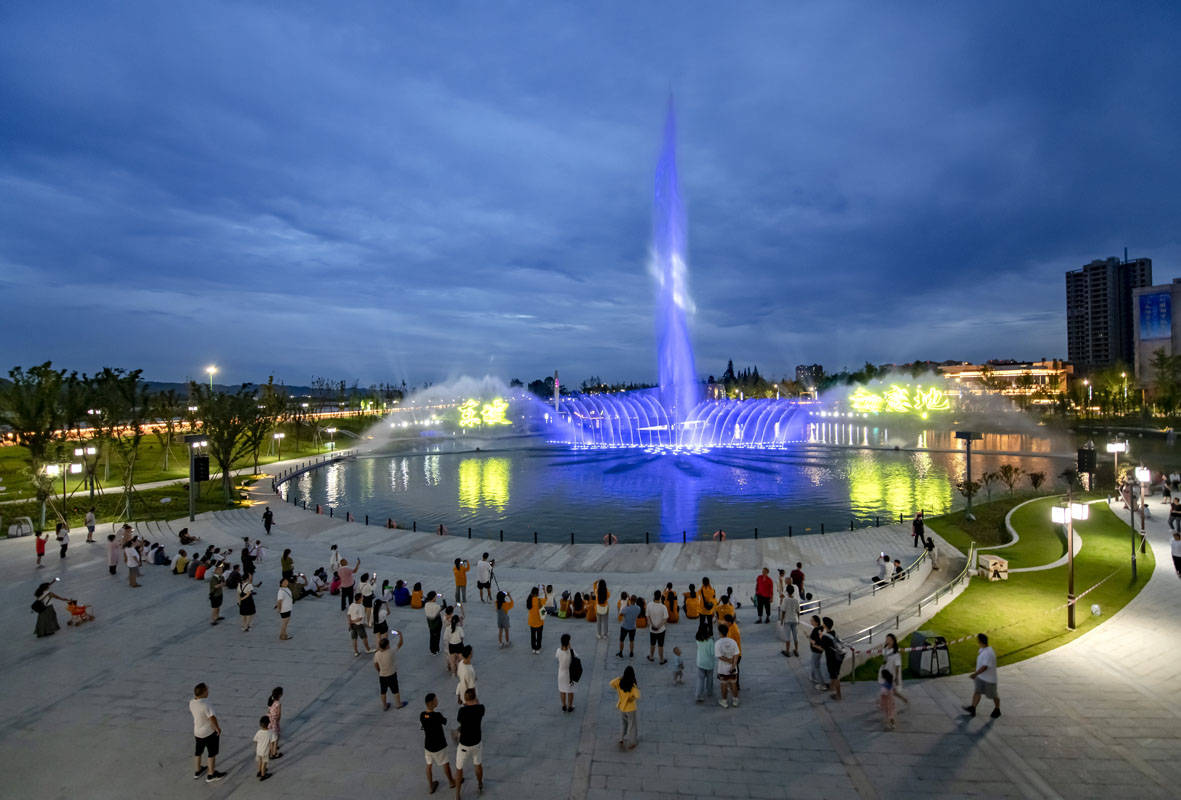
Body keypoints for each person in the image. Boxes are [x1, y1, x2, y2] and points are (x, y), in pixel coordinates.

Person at [189, 683, 225, 783]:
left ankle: (197, 770)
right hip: (208, 732)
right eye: (207, 690)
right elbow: (212, 717)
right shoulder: (206, 704)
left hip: (197, 731)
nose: (208, 691)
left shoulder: (191, 702)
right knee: (212, 753)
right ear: (203, 692)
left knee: (198, 751)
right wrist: (217, 728)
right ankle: (211, 774)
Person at [421, 693, 456, 794]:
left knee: (429, 765)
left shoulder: (423, 715)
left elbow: (424, 725)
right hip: (439, 745)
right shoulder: (437, 715)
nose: (437, 701)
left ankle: (431, 785)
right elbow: (445, 722)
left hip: (428, 746)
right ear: (431, 703)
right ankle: (451, 781)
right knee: (445, 763)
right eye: (436, 700)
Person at [454, 688, 485, 798]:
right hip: (476, 742)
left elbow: (459, 720)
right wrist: (474, 701)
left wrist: (465, 704)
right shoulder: (481, 709)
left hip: (464, 745)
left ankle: (457, 794)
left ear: (465, 699)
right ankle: (480, 783)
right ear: (475, 697)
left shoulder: (462, 711)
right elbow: (478, 704)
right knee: (477, 765)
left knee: (459, 769)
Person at [963, 632, 1001, 718]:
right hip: (980, 677)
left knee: (993, 695)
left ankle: (997, 709)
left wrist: (975, 674)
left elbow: (985, 667)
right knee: (977, 692)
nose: (977, 642)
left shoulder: (989, 653)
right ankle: (973, 708)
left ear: (981, 642)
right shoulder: (983, 650)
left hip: (989, 679)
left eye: (978, 641)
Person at [609, 666, 640, 750]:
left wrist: (620, 677)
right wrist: (631, 698)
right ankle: (632, 742)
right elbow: (637, 695)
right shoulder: (632, 685)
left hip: (622, 707)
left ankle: (621, 739)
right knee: (632, 725)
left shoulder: (619, 682)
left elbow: (611, 683)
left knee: (623, 724)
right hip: (630, 708)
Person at [374, 634, 407, 710]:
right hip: (391, 674)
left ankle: (385, 705)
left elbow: (375, 664)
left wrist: (379, 671)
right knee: (395, 690)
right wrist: (400, 635)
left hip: (382, 675)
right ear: (386, 646)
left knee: (383, 691)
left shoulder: (377, 654)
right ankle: (398, 704)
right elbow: (400, 644)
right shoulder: (391, 652)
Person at [715, 622, 740, 708]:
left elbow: (719, 656)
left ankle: (724, 701)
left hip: (722, 668)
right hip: (733, 667)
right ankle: (735, 700)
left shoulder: (718, 643)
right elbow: (736, 654)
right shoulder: (732, 641)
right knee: (733, 683)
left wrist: (728, 660)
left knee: (724, 684)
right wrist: (733, 664)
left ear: (720, 633)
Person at [821, 617, 844, 701]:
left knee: (835, 676)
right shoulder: (834, 633)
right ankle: (831, 687)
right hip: (838, 657)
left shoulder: (825, 637)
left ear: (825, 625)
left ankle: (838, 696)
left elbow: (822, 648)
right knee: (834, 674)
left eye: (823, 623)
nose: (822, 624)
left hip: (832, 659)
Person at [883, 633, 909, 705]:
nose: (887, 641)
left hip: (892, 675)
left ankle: (891, 704)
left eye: (889, 640)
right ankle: (904, 700)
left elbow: (898, 666)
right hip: (887, 673)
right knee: (892, 691)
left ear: (893, 641)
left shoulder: (896, 653)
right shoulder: (885, 649)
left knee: (888, 690)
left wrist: (896, 678)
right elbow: (885, 660)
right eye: (886, 639)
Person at [694, 620, 715, 702]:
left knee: (700, 679)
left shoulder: (697, 638)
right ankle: (709, 691)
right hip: (709, 663)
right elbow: (712, 653)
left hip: (700, 662)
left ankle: (698, 695)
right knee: (710, 678)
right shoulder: (710, 641)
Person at [646, 590, 669, 663]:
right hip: (661, 630)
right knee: (660, 645)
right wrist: (659, 626)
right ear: (660, 597)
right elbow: (665, 619)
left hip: (652, 629)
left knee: (652, 644)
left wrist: (652, 625)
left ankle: (651, 656)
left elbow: (648, 616)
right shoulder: (663, 607)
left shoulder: (649, 605)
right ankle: (661, 659)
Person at [779, 585, 800, 657]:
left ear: (787, 591)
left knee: (787, 636)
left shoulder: (785, 600)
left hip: (787, 620)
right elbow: (798, 611)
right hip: (795, 620)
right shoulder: (796, 600)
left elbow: (783, 611)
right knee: (795, 636)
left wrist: (782, 620)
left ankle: (787, 651)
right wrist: (798, 619)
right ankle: (796, 650)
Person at [556, 633, 575, 712]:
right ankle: (570, 706)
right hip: (570, 674)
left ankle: (564, 705)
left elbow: (557, 657)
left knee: (562, 690)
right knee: (570, 691)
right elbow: (575, 658)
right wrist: (570, 648)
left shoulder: (558, 651)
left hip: (561, 673)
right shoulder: (571, 652)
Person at [253, 715, 275, 781]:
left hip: (258, 750)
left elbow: (255, 740)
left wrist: (256, 748)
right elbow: (272, 743)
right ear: (268, 724)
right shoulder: (270, 732)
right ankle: (263, 774)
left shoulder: (259, 732)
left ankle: (259, 771)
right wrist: (271, 751)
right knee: (264, 763)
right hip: (265, 751)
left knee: (260, 761)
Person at [808, 615, 827, 690]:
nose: (810, 621)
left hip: (816, 651)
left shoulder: (816, 630)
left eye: (812, 620)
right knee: (814, 663)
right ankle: (812, 677)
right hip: (818, 651)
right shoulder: (820, 628)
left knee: (816, 667)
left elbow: (815, 641)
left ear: (816, 622)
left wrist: (810, 639)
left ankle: (822, 684)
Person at [526, 586, 547, 654]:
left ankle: (533, 648)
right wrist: (544, 590)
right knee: (539, 636)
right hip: (539, 622)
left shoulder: (529, 600)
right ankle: (538, 648)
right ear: (537, 593)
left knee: (533, 636)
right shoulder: (539, 600)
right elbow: (546, 599)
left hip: (532, 622)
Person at [446, 607, 466, 674]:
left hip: (451, 646)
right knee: (460, 660)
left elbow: (446, 638)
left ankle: (453, 674)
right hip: (459, 645)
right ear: (458, 621)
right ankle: (460, 671)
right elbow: (462, 637)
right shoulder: (459, 628)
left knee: (452, 661)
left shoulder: (448, 628)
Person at [266, 687, 283, 759]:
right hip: (274, 721)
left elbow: (268, 710)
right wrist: (278, 721)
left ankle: (270, 749)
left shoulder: (270, 699)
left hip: (268, 720)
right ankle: (274, 753)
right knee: (276, 737)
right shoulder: (278, 703)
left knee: (270, 736)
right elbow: (279, 714)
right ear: (280, 695)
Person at [425, 591, 444, 656]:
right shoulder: (436, 606)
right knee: (437, 637)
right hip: (437, 624)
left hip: (430, 624)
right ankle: (436, 650)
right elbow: (444, 606)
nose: (436, 598)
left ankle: (432, 649)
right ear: (433, 598)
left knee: (432, 636)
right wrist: (443, 598)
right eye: (435, 597)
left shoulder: (426, 604)